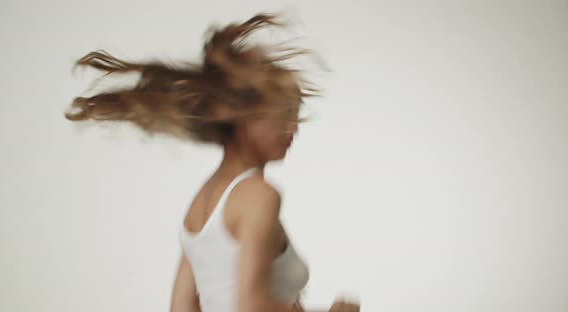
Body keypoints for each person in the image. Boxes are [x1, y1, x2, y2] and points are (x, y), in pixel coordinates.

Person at [65, 12, 360, 312]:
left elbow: (181, 308)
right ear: (244, 117)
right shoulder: (258, 195)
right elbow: (250, 306)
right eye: (284, 113)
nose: (293, 128)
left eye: (295, 115)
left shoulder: (201, 205)